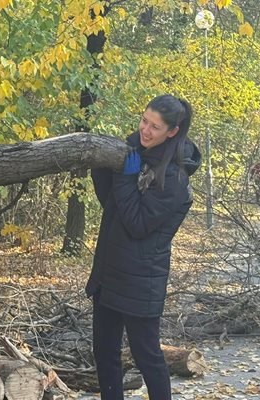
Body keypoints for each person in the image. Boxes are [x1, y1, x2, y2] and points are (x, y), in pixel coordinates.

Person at [85, 95, 201, 400]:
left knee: (146, 355)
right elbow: (112, 207)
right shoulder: (135, 150)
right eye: (143, 121)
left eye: (155, 127)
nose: (145, 131)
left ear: (172, 132)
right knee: (104, 352)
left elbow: (136, 224)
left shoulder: (174, 177)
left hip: (141, 279)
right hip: (110, 270)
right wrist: (104, 165)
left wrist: (124, 177)